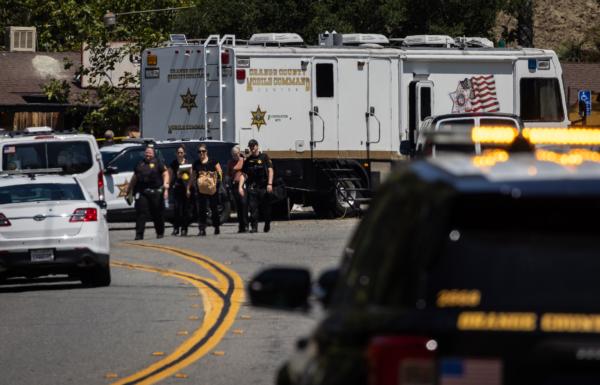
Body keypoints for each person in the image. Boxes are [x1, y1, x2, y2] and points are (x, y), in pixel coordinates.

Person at [126, 146, 169, 240]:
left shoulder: (158, 163)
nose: (148, 154)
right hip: (142, 192)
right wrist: (129, 189)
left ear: (153, 154)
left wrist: (166, 184)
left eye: (150, 153)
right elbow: (135, 177)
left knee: (157, 213)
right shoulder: (140, 163)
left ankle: (160, 232)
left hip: (156, 192)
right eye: (146, 152)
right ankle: (139, 234)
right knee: (141, 213)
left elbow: (165, 173)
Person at [188, 144, 222, 236]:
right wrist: (188, 188)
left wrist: (217, 181)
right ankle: (202, 229)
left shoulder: (213, 161)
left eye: (203, 151)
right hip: (201, 190)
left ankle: (216, 227)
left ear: (206, 152)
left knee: (214, 209)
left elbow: (219, 172)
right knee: (202, 210)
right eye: (199, 152)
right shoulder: (196, 163)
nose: (201, 153)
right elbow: (192, 176)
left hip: (212, 189)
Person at [243, 139, 274, 233]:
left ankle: (267, 223)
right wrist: (241, 186)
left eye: (253, 146)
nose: (252, 148)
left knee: (266, 208)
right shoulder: (248, 160)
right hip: (253, 187)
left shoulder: (264, 157)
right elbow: (244, 174)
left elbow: (270, 170)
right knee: (253, 208)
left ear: (257, 146)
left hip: (264, 186)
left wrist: (270, 184)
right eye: (250, 146)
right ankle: (254, 227)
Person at [169, 145, 191, 236]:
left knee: (185, 210)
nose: (180, 154)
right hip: (176, 188)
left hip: (185, 189)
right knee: (177, 209)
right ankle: (176, 229)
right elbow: (170, 176)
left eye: (181, 152)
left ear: (184, 153)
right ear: (176, 154)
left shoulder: (187, 163)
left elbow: (191, 177)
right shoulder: (173, 164)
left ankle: (184, 229)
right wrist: (176, 176)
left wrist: (189, 189)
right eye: (178, 152)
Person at [227, 145, 248, 233]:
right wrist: (228, 183)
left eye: (236, 154)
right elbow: (228, 174)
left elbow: (247, 173)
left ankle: (246, 225)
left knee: (244, 205)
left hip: (243, 185)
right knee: (238, 207)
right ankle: (241, 226)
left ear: (239, 153)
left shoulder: (244, 161)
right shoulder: (230, 162)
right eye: (233, 154)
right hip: (234, 186)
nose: (234, 156)